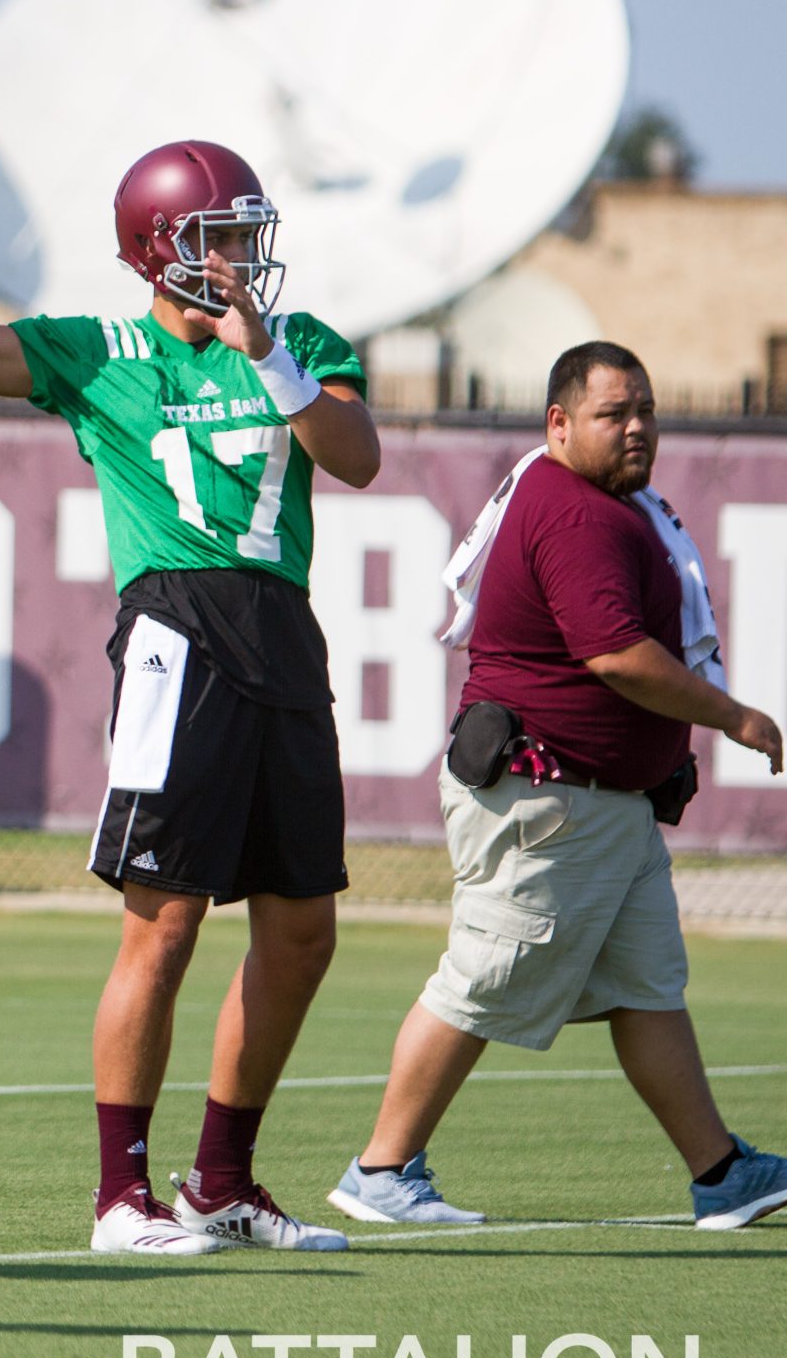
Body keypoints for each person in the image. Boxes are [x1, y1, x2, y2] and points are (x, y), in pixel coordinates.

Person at [0, 140, 380, 1255]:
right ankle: (119, 1197)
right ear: (159, 250)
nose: (242, 257)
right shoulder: (95, 352)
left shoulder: (301, 343)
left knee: (301, 932)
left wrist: (271, 359)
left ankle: (221, 1181)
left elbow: (357, 456)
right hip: (174, 637)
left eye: (248, 235)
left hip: (283, 635)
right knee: (166, 920)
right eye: (218, 238)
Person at [330, 341, 787, 1231]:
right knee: (482, 977)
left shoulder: (611, 505)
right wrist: (732, 716)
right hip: (548, 800)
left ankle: (722, 1172)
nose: (638, 428)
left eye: (646, 410)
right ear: (560, 423)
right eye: (616, 413)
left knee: (646, 987)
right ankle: (381, 1168)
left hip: (600, 807)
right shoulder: (576, 512)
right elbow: (614, 653)